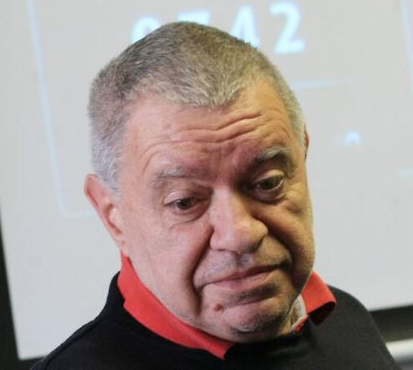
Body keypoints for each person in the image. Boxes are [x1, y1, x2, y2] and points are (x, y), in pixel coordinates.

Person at [31, 22, 399, 369]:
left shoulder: (347, 324)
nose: (240, 233)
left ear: (302, 154)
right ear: (113, 216)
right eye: (185, 202)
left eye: (267, 183)